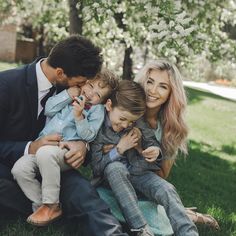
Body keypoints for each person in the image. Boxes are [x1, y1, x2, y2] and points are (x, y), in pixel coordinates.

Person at [0, 35, 128, 235]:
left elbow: (92, 128)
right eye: (83, 81)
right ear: (60, 73)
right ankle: (47, 206)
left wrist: (83, 147)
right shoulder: (5, 85)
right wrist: (30, 148)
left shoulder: (80, 88)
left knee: (84, 194)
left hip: (58, 161)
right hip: (14, 164)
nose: (86, 87)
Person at [90, 80, 199, 236]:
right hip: (112, 177)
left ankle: (188, 232)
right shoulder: (98, 128)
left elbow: (151, 141)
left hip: (137, 172)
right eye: (122, 119)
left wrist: (155, 150)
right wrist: (120, 149)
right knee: (115, 168)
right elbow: (97, 168)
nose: (126, 125)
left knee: (166, 188)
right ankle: (140, 228)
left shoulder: (135, 120)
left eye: (131, 122)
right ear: (108, 106)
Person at [11, 68, 118, 226]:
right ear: (85, 82)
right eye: (90, 86)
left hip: (65, 152)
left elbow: (89, 135)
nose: (90, 94)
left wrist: (79, 116)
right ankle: (41, 206)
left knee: (46, 154)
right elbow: (49, 109)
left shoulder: (97, 111)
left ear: (103, 101)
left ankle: (51, 204)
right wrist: (67, 95)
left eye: (98, 95)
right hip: (43, 147)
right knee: (19, 169)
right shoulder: (71, 96)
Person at [134, 59, 219, 230]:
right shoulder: (127, 110)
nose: (152, 90)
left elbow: (161, 178)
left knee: (156, 205)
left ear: (171, 93)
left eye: (162, 86)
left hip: (145, 186)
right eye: (150, 82)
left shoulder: (171, 129)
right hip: (115, 180)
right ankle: (185, 214)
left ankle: (188, 217)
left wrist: (145, 152)